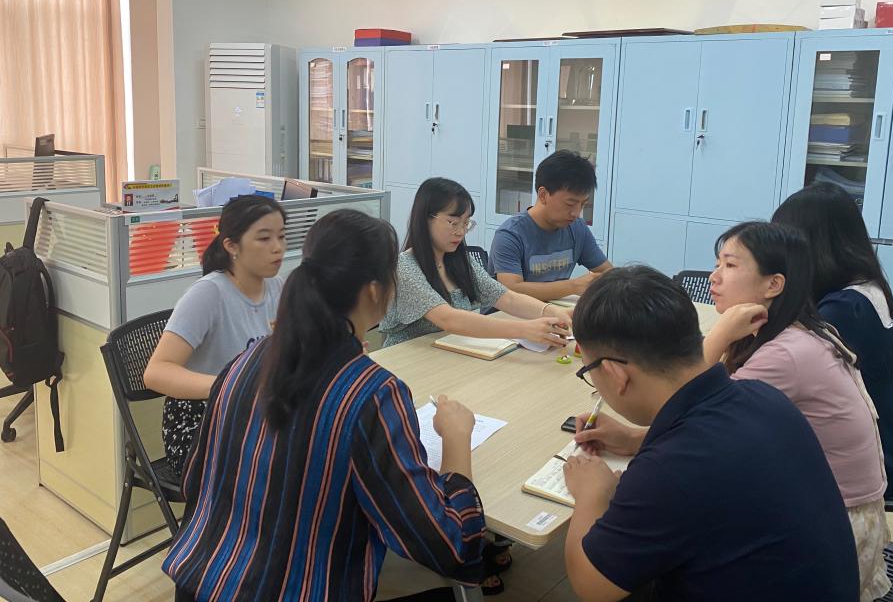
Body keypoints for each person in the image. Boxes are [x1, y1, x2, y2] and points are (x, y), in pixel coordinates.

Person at [163, 209, 486, 601]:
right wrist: (456, 437)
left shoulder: (245, 361)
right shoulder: (373, 393)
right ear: (374, 290)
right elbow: (452, 548)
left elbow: (195, 481)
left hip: (198, 583)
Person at [562, 266, 859, 602]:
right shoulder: (762, 396)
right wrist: (634, 440)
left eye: (588, 371)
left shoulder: (668, 469)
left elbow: (592, 586)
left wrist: (592, 493)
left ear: (616, 374)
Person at [704, 221, 892, 601]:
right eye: (718, 263)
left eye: (730, 265)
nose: (714, 276)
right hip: (836, 511)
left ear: (774, 284)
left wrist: (719, 334)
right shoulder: (796, 330)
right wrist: (634, 437)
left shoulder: (784, 353)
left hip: (834, 531)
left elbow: (692, 413)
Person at [773, 182, 893, 496]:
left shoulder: (845, 310)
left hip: (873, 465)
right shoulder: (865, 287)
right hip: (888, 450)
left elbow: (786, 373)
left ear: (811, 245)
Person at [143, 194, 286, 475]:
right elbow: (156, 373)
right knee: (286, 468)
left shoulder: (276, 287)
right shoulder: (209, 293)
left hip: (253, 413)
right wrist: (232, 386)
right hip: (201, 423)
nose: (277, 248)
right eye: (264, 238)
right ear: (231, 245)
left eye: (281, 236)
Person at [380, 177, 572, 350]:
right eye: (453, 223)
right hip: (406, 358)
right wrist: (525, 329)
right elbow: (448, 319)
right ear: (425, 220)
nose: (461, 232)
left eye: (466, 223)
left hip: (448, 353)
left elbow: (506, 298)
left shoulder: (460, 260)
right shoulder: (405, 267)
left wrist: (551, 311)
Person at [489, 150, 612, 301]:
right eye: (570, 204)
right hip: (507, 313)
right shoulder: (511, 234)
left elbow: (607, 273)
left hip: (553, 310)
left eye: (583, 204)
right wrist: (573, 287)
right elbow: (511, 291)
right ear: (543, 195)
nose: (576, 213)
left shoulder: (577, 228)